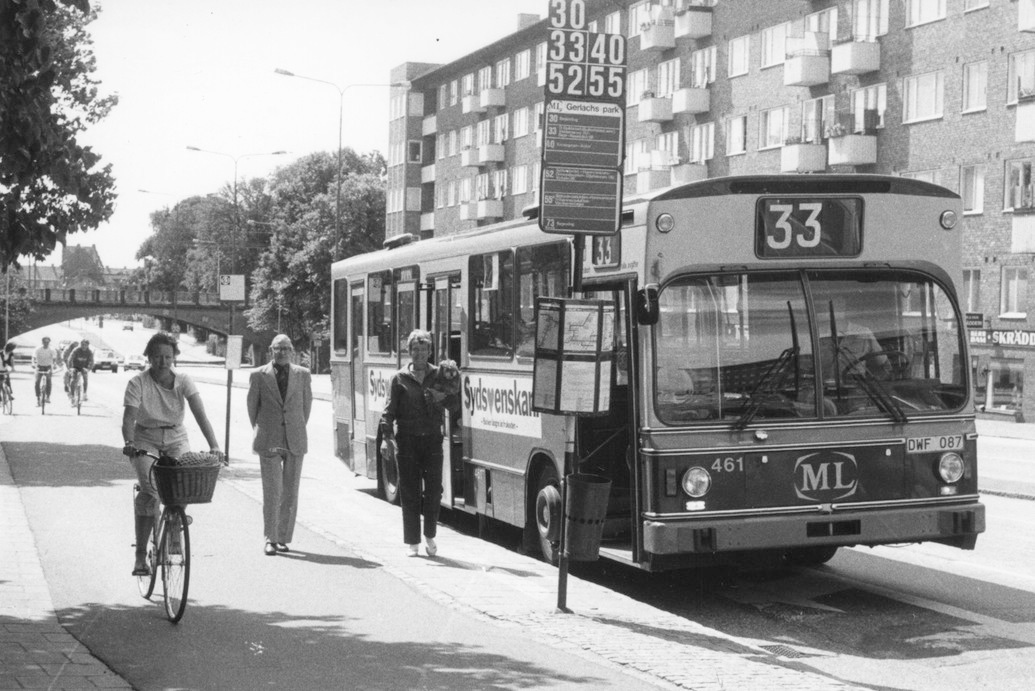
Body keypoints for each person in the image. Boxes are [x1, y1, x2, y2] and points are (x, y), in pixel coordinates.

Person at [121, 332, 222, 575]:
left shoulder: (183, 381)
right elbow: (129, 419)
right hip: (145, 437)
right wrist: (129, 442)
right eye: (157, 356)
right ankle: (140, 556)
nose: (163, 362)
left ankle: (175, 526)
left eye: (168, 356)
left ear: (174, 357)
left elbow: (200, 415)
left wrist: (214, 446)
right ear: (149, 357)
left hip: (176, 436)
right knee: (150, 491)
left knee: (183, 481)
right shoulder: (137, 383)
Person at [380, 329, 459, 557]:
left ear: (430, 351)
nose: (419, 354)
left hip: (433, 440)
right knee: (410, 491)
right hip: (407, 441)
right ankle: (413, 542)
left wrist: (443, 397)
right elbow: (388, 411)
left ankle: (430, 535)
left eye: (424, 350)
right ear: (409, 351)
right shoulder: (399, 378)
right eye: (415, 349)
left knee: (434, 491)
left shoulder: (439, 375)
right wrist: (386, 438)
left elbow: (454, 405)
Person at [246, 334, 313, 556]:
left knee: (291, 492)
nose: (282, 352)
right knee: (272, 491)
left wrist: (295, 426)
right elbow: (252, 408)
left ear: (292, 351)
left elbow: (306, 407)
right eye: (278, 348)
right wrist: (264, 428)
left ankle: (283, 537)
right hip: (269, 439)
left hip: (295, 438)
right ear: (271, 350)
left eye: (286, 348)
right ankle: (271, 538)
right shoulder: (258, 375)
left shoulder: (303, 375)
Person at [31, 336, 58, 405]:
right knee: (37, 382)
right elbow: (34, 357)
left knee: (49, 380)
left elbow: (54, 359)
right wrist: (33, 363)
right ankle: (38, 398)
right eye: (44, 342)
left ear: (49, 342)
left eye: (47, 342)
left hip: (48, 367)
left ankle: (48, 397)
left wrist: (55, 364)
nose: (46, 343)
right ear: (42, 342)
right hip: (39, 366)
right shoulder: (38, 349)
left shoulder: (52, 349)